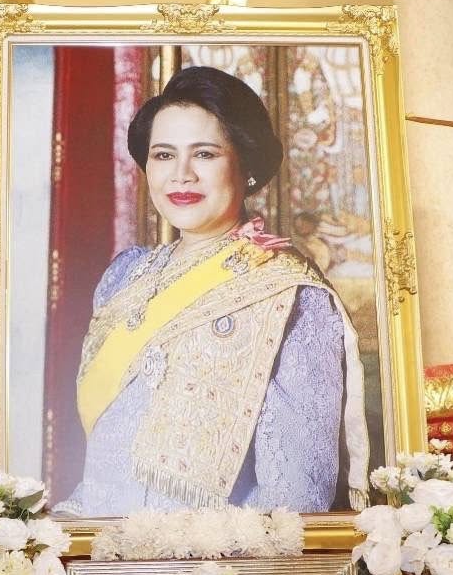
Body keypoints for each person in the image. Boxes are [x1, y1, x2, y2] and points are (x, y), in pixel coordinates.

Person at [57, 66, 369, 516]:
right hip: (102, 561)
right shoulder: (125, 277)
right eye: (163, 156)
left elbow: (296, 500)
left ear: (245, 166)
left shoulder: (287, 293)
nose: (180, 175)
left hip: (215, 571)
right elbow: (101, 469)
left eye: (204, 154)